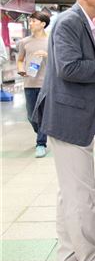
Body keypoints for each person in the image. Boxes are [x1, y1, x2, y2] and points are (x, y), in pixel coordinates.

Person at [32, 0, 95, 261]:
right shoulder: (69, 21)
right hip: (67, 117)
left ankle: (69, 254)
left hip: (72, 116)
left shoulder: (83, 21)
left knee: (69, 191)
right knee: (83, 193)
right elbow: (69, 68)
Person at [17, 11, 50, 157]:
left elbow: (58, 62)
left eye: (33, 21)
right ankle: (43, 131)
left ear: (43, 24)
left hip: (46, 84)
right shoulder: (24, 42)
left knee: (42, 115)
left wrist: (47, 55)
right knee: (31, 116)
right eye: (30, 21)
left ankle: (41, 143)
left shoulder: (51, 41)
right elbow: (20, 60)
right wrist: (21, 69)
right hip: (29, 83)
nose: (30, 24)